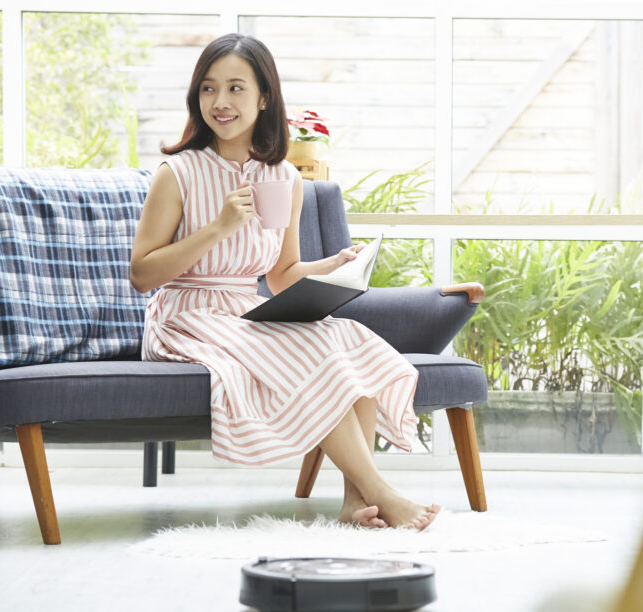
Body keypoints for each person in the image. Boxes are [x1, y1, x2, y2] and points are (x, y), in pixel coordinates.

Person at [129, 33, 439, 531]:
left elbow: (281, 274)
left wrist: (333, 264)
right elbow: (142, 275)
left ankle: (355, 502)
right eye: (209, 89)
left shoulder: (284, 178)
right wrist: (217, 229)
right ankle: (380, 490)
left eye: (235, 88)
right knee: (305, 352)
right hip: (184, 316)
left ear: (264, 97)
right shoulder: (179, 172)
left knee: (346, 339)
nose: (221, 102)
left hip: (242, 312)